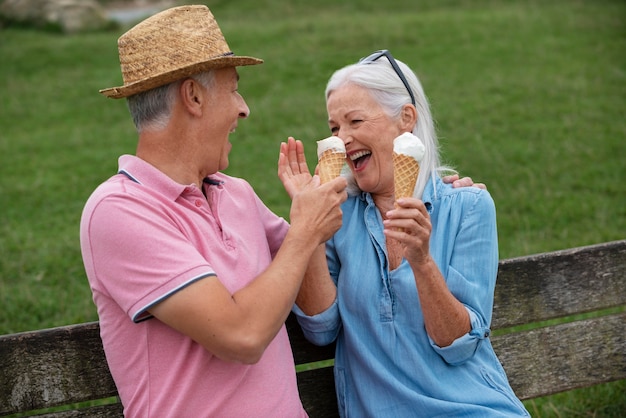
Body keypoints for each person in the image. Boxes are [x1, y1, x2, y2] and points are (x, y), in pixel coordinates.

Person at [79, 5, 348, 417]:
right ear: (194, 96)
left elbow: (319, 312)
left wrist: (314, 212)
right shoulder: (119, 211)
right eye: (234, 89)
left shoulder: (236, 194)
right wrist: (305, 231)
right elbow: (241, 336)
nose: (244, 108)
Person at [279, 50, 530, 417]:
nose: (341, 139)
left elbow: (457, 345)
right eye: (334, 128)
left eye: (355, 121)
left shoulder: (469, 207)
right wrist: (309, 224)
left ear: (406, 120)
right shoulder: (339, 216)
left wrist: (422, 260)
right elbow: (321, 330)